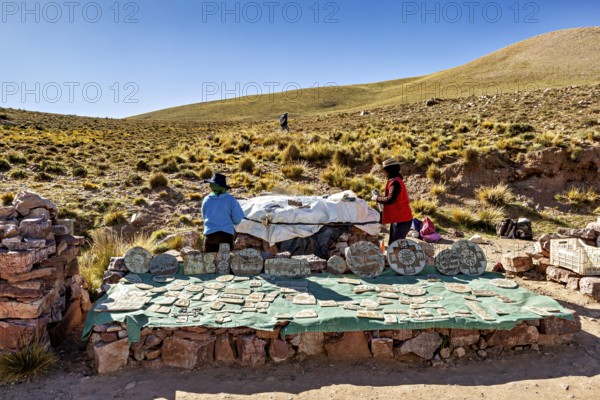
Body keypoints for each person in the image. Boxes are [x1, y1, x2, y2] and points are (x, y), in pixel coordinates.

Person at [371, 157, 414, 245]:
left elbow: (390, 200)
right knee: (393, 244)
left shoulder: (395, 183)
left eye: (385, 171)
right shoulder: (395, 180)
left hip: (402, 220)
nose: (384, 174)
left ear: (389, 170)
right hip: (400, 218)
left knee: (396, 246)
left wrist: (377, 198)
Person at [201, 173, 245, 253]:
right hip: (226, 236)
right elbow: (237, 219)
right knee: (225, 263)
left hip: (210, 236)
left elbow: (204, 217)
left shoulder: (206, 200)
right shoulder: (231, 200)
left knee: (210, 263)